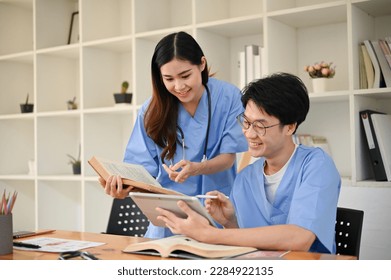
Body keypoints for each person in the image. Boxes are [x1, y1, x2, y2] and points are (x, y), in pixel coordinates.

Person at [156, 72, 341, 253]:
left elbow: (300, 238)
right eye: (246, 122)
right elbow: (250, 246)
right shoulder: (245, 178)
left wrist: (208, 234)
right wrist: (229, 222)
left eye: (260, 125)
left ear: (290, 127)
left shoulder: (316, 165)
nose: (249, 133)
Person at [99, 31, 248, 238]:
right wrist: (124, 188)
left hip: (217, 213)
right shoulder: (151, 110)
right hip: (168, 219)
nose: (179, 87)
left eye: (185, 76)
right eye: (169, 79)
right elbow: (142, 172)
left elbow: (228, 157)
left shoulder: (229, 96)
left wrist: (198, 168)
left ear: (202, 64)